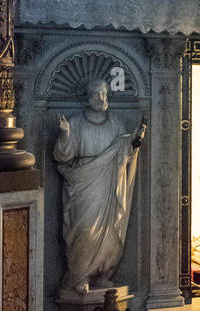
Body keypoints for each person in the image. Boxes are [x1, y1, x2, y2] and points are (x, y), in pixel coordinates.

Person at [54, 79, 145, 294]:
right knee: (85, 231)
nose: (101, 99)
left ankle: (104, 274)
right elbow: (62, 156)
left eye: (104, 94)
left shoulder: (115, 123)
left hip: (109, 185)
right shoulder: (75, 123)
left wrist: (134, 141)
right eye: (96, 95)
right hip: (84, 184)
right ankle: (80, 276)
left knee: (111, 232)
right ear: (87, 98)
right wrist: (65, 134)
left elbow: (124, 151)